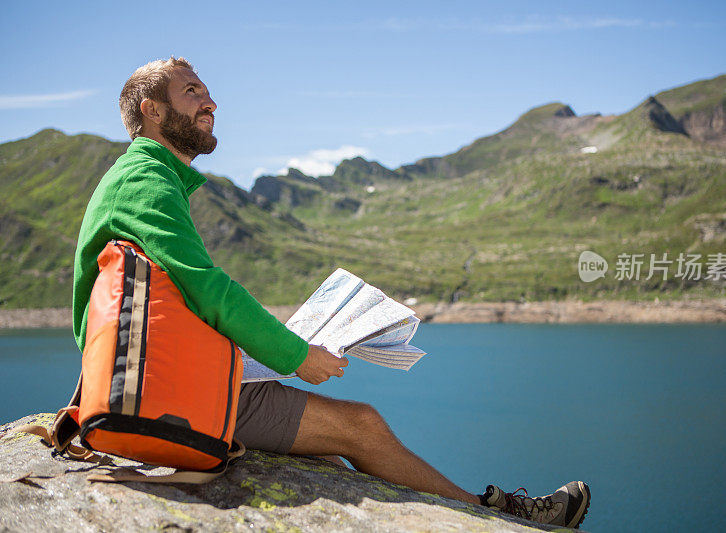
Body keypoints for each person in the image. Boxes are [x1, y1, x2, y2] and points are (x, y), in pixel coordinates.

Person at [72, 57, 590, 529]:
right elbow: (209, 289)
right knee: (361, 425)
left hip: (172, 378)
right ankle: (503, 516)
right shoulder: (146, 179)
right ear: (152, 111)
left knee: (331, 457)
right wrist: (297, 356)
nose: (211, 102)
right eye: (192, 92)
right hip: (167, 393)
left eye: (207, 92)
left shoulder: (145, 177)